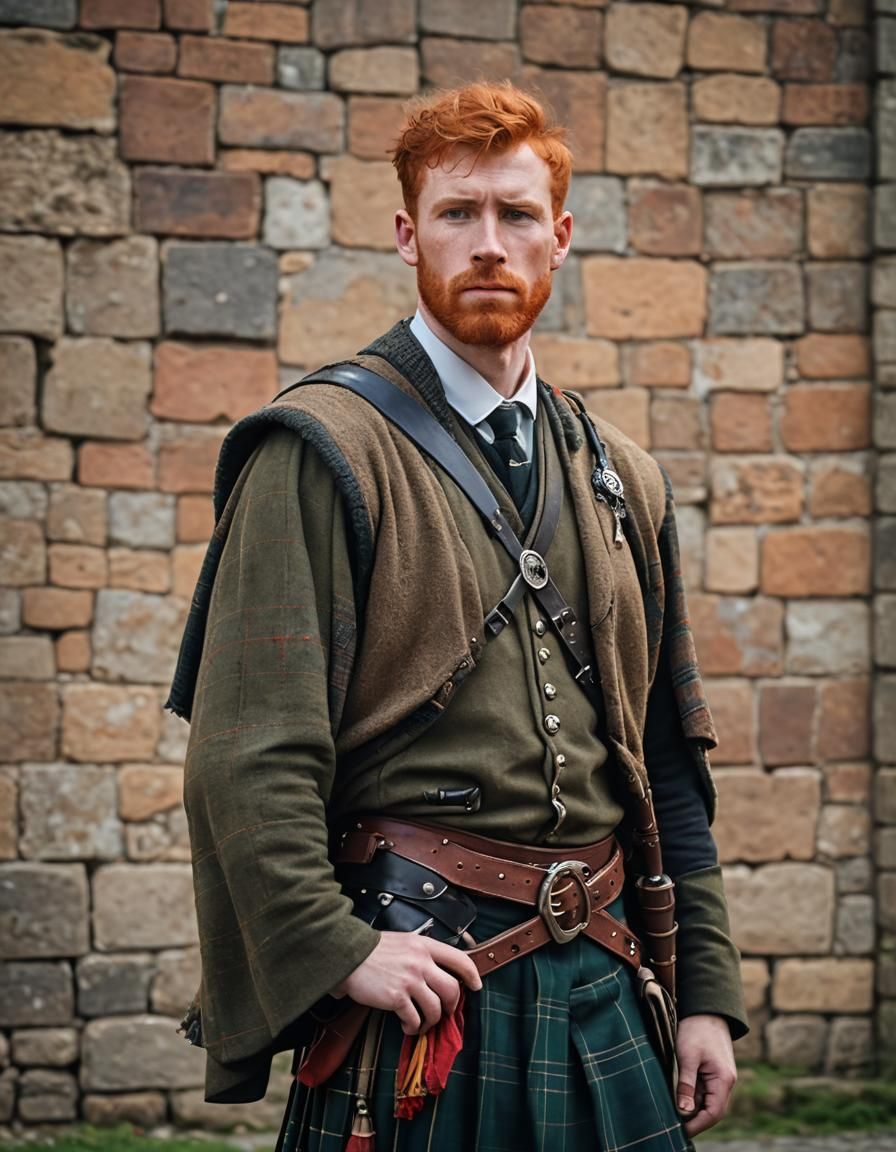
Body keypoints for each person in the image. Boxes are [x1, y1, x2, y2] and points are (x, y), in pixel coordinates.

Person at [168, 82, 747, 1152]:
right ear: (408, 235)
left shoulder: (623, 477)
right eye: (456, 213)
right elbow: (248, 751)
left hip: (608, 979)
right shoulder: (321, 450)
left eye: (516, 215)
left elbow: (664, 761)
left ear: (558, 238)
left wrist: (702, 989)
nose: (488, 243)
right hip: (422, 985)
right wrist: (337, 947)